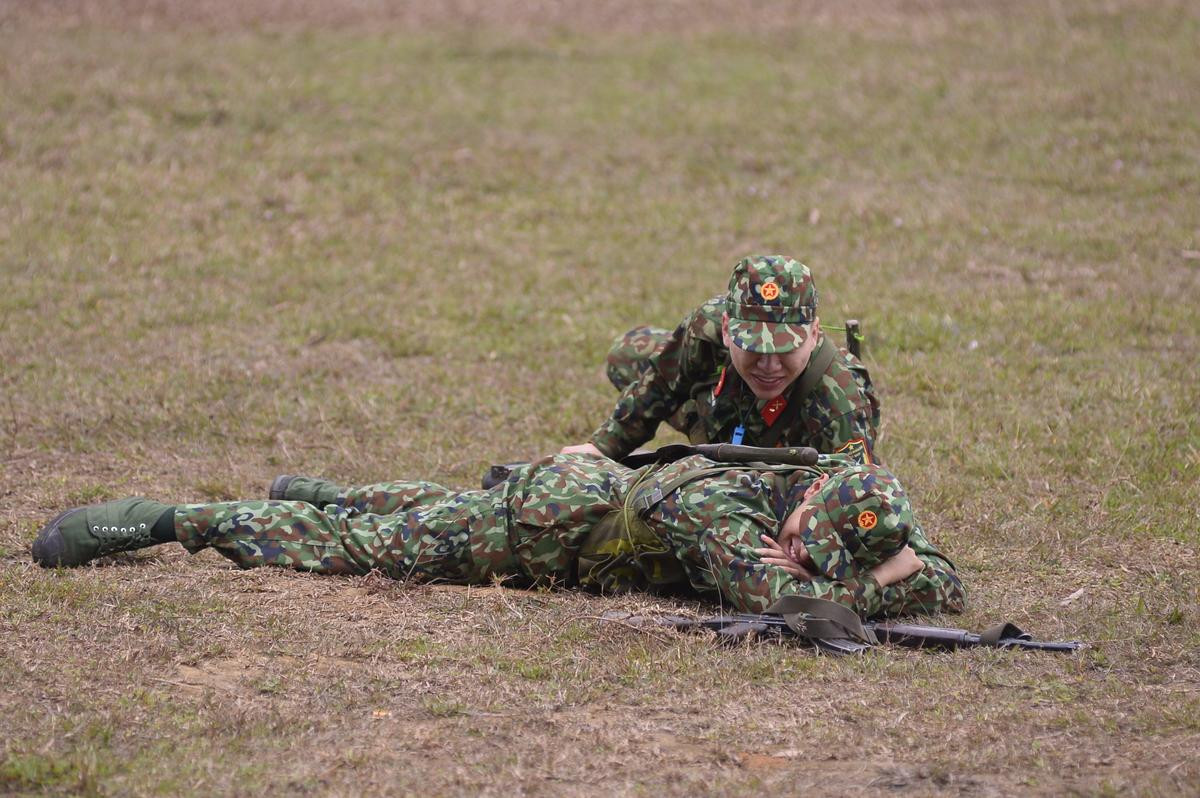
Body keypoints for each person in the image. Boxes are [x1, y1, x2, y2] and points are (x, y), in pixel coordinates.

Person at [31, 452, 963, 620]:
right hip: (536, 531)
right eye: (809, 540)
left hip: (588, 496)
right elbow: (806, 611)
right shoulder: (725, 515)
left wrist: (896, 569)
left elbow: (942, 579)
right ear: (808, 515)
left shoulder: (815, 486)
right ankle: (157, 523)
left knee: (416, 507)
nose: (803, 552)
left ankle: (325, 488)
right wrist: (886, 583)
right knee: (365, 550)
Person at [562, 255, 880, 462]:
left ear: (813, 335)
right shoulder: (707, 326)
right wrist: (601, 449)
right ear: (727, 329)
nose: (769, 365)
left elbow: (858, 495)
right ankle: (714, 444)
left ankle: (733, 458)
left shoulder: (840, 403)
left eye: (784, 350)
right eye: (753, 347)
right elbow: (659, 385)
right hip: (726, 410)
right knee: (626, 354)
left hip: (787, 456)